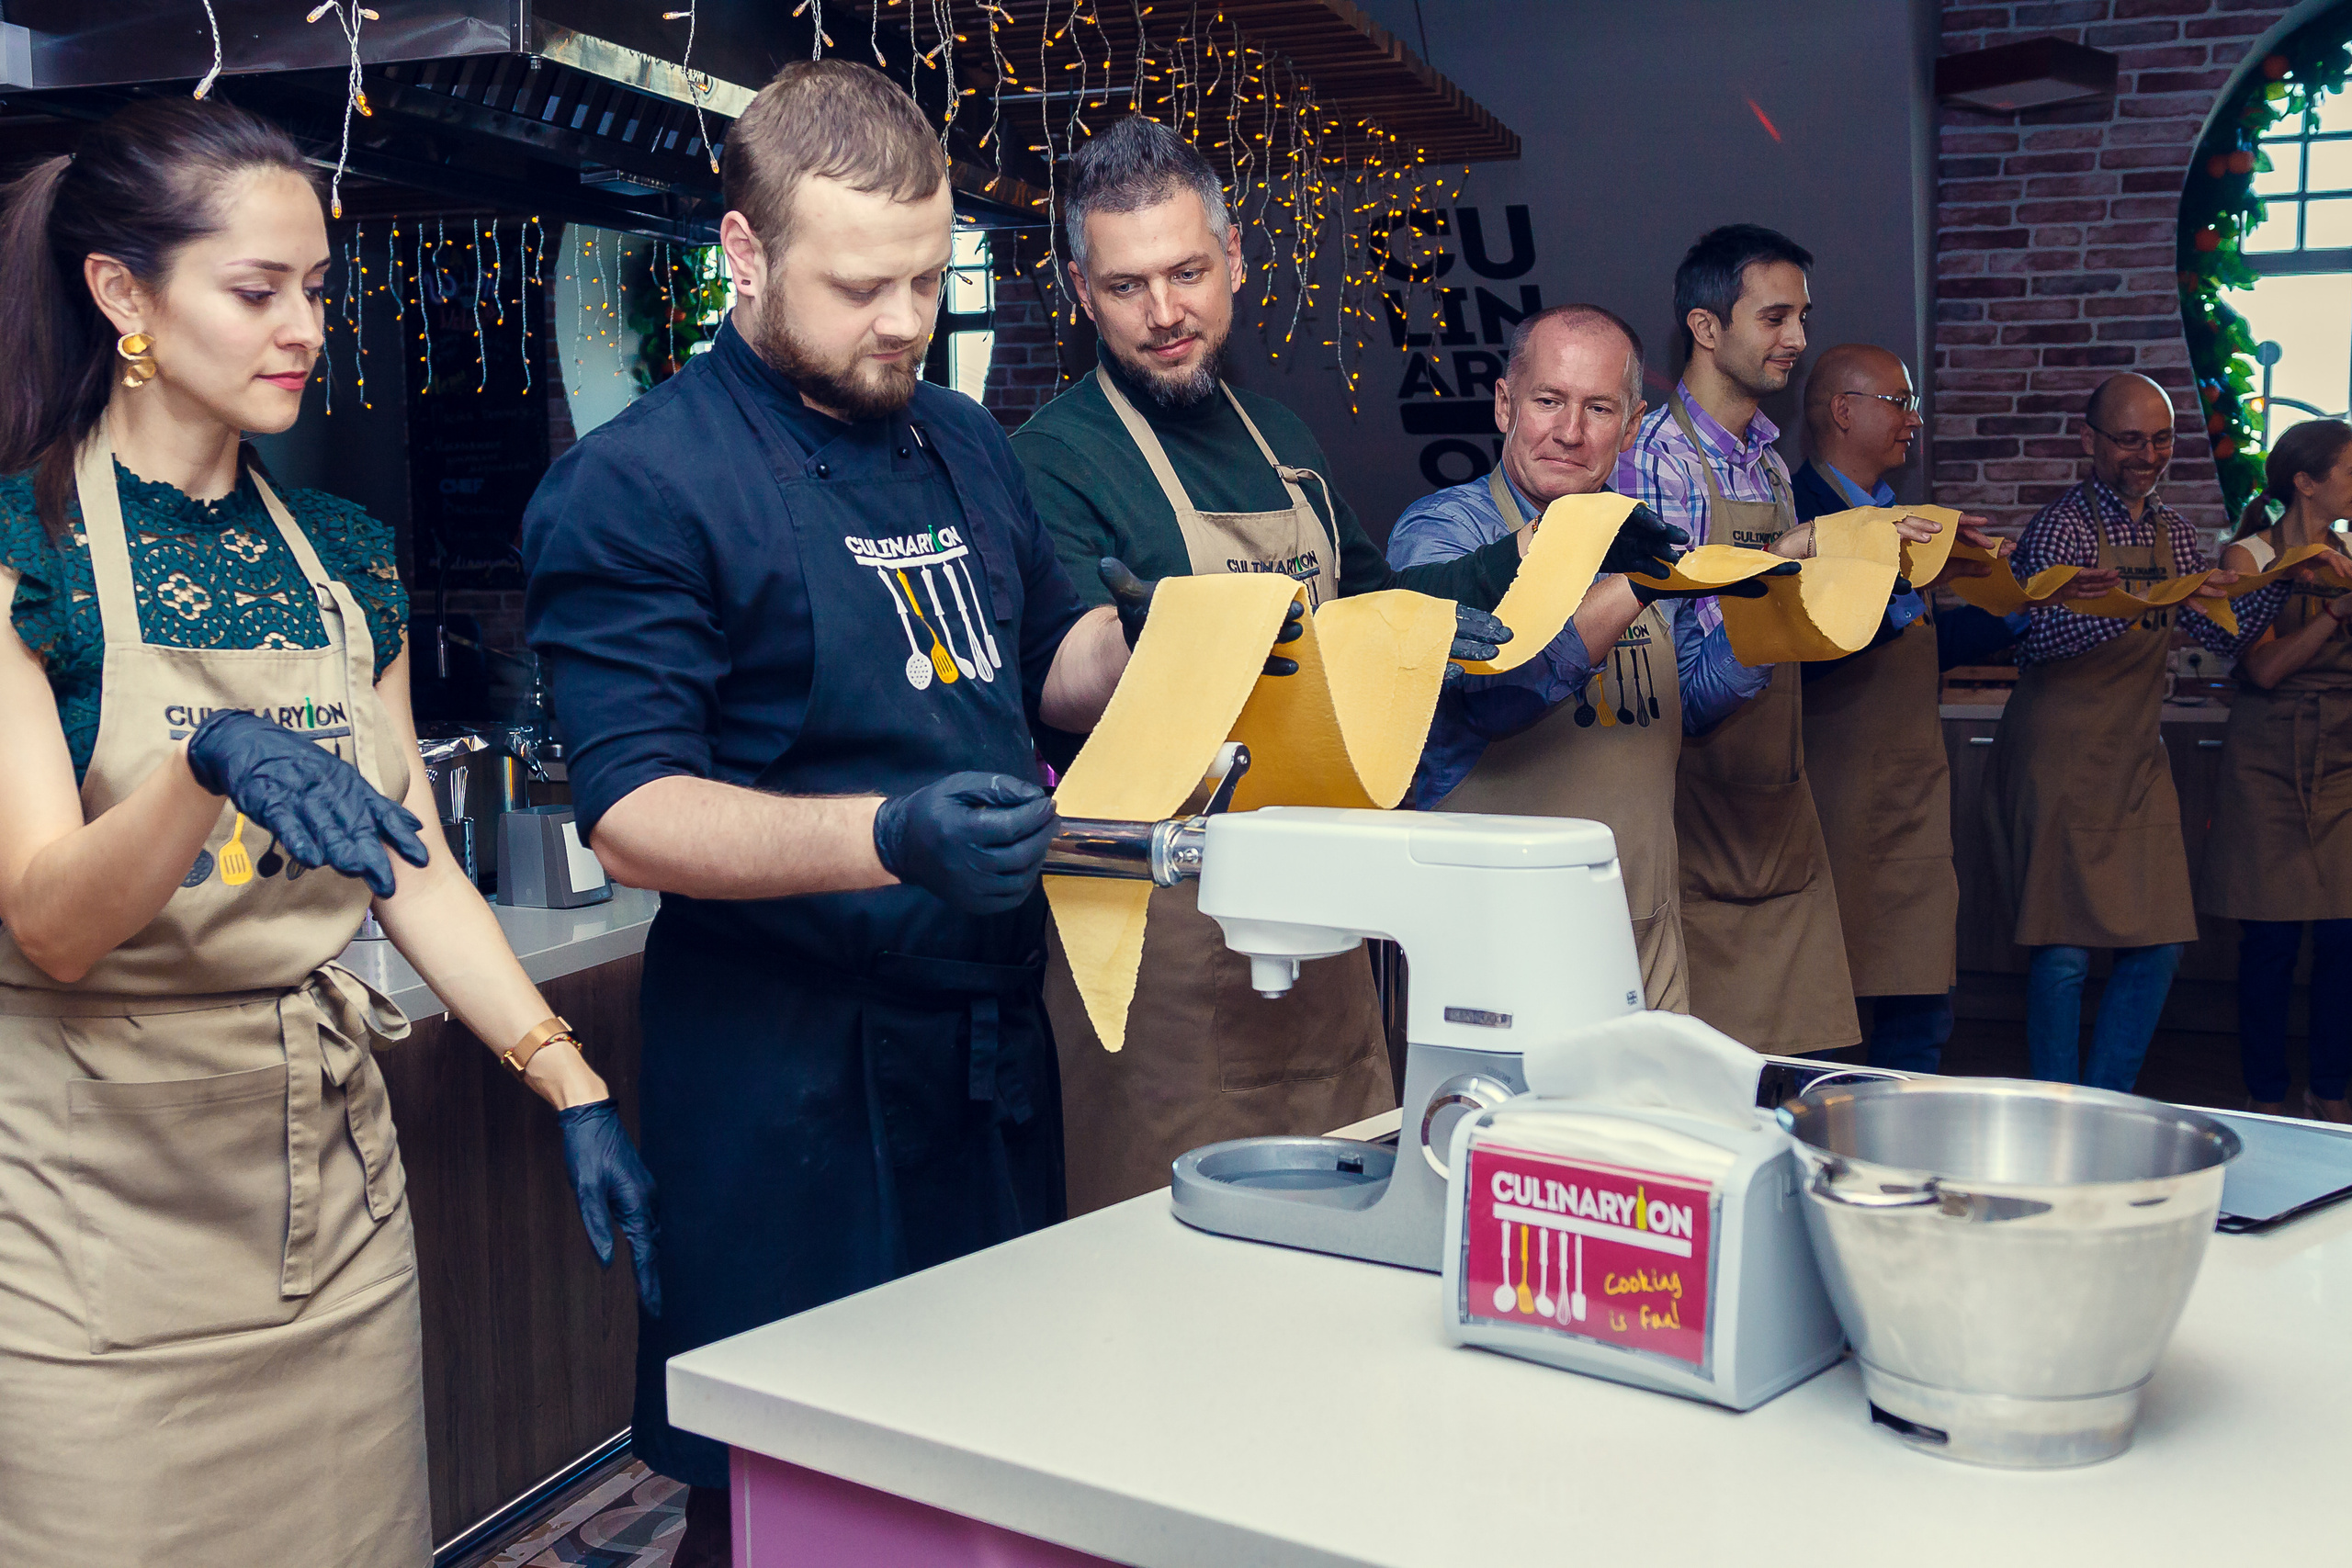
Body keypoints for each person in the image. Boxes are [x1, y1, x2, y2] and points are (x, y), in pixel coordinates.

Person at [519, 64, 1290, 1568]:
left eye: (930, 278)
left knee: (987, 1453)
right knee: (794, 1480)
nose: (904, 319)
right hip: (789, 1073)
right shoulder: (639, 488)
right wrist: (890, 832)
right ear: (744, 255)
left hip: (984, 1045)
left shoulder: (960, 438)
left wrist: (1246, 652)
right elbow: (632, 813)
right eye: (862, 283)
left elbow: (1063, 660)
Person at [0, 98, 656, 1568]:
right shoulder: (22, 554)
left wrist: (568, 1076)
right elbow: (48, 917)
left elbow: (411, 865)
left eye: (315, 285)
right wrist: (208, 768)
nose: (304, 324)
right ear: (122, 293)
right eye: (256, 290)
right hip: (89, 1222)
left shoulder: (344, 561)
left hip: (333, 1212)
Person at [1012, 115, 1600, 1213]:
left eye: (1187, 271)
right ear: (1082, 293)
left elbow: (1374, 606)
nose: (1165, 311)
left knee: (1353, 1222)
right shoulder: (1050, 458)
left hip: (1320, 914)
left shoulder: (1280, 435)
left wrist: (1537, 552)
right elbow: (1063, 676)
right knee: (1170, 1257)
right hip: (1158, 946)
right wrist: (1167, 638)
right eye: (1128, 285)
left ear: (1234, 260)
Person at [1390, 304, 1792, 1012]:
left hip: (1644, 941)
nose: (1570, 433)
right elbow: (1491, 698)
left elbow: (1693, 704)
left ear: (1631, 427)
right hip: (1492, 947)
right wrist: (1629, 587)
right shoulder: (1446, 531)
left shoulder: (1642, 535)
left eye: (1599, 408)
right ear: (1506, 404)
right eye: (1548, 401)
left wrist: (1773, 598)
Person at [1986, 372, 2292, 1093]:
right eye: (2129, 440)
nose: (2148, 455)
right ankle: (2059, 1108)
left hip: (2135, 760)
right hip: (2056, 756)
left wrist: (2283, 580)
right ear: (2089, 440)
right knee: (2061, 952)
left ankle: (2106, 1102)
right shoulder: (2060, 527)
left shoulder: (2176, 530)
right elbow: (2028, 640)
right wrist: (2137, 601)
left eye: (2161, 439)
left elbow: (2221, 635)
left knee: (2160, 945)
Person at [1614, 225, 1861, 1056]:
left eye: (1803, 317)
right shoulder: (1654, 461)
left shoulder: (1770, 465)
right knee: (1706, 1088)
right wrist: (1777, 580)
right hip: (1697, 816)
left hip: (1777, 801)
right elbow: (1668, 672)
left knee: (1796, 1079)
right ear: (1706, 327)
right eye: (1775, 317)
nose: (1797, 339)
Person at [1792, 344, 2018, 1073]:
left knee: (1921, 1012)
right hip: (1836, 803)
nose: (1913, 418)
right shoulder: (1798, 514)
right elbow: (1803, 650)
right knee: (1833, 1021)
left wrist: (2021, 605)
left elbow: (1920, 644)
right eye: (1898, 400)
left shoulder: (1905, 517)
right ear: (1842, 411)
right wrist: (1898, 581)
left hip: (1911, 799)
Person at [2199, 419, 2352, 1121]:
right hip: (2268, 757)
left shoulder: (2349, 552)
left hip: (2343, 757)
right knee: (2269, 939)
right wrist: (2335, 618)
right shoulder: (2249, 555)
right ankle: (2264, 1095)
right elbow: (2260, 667)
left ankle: (2331, 1092)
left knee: (2344, 937)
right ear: (2306, 481)